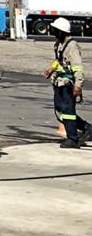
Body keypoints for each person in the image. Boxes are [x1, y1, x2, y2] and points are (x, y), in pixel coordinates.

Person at [45, 17, 90, 148]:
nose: (53, 32)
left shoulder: (72, 46)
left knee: (68, 111)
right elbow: (59, 60)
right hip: (59, 82)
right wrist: (51, 69)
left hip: (68, 84)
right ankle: (87, 128)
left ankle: (73, 139)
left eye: (56, 30)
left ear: (61, 31)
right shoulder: (59, 45)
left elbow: (78, 67)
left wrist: (78, 85)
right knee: (60, 109)